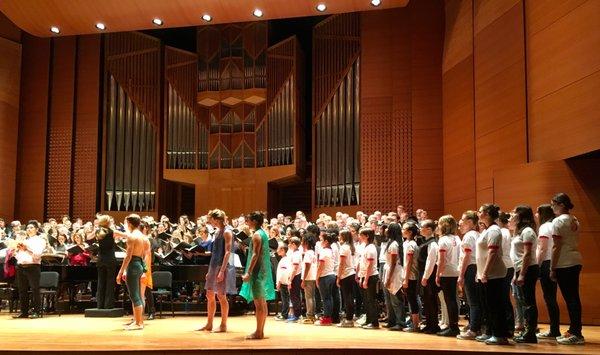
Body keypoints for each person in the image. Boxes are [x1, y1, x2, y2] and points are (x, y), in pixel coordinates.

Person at [550, 193, 584, 345]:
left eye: (553, 204)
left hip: (564, 262)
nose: (552, 207)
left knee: (571, 299)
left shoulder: (558, 221)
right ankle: (574, 329)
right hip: (575, 259)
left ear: (562, 204)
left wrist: (552, 267)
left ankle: (576, 333)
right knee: (573, 298)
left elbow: (556, 246)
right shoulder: (574, 219)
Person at [198, 209, 236, 333]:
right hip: (214, 265)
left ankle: (223, 325)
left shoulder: (227, 232)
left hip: (222, 266)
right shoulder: (217, 231)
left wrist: (221, 271)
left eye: (211, 219)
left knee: (221, 295)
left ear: (216, 219)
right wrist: (211, 270)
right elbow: (215, 252)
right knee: (209, 294)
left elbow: (227, 252)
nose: (210, 222)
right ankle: (209, 324)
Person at [476, 204, 509, 345]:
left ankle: (500, 335)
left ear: (488, 214)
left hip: (493, 274)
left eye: (481, 211)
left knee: (495, 305)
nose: (478, 213)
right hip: (485, 274)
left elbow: (492, 253)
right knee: (487, 305)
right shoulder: (487, 230)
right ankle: (489, 331)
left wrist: (485, 273)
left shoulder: (494, 230)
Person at [240, 211, 275, 339]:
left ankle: (259, 332)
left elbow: (255, 255)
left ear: (254, 221)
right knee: (262, 303)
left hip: (257, 273)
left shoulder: (256, 235)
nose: (246, 222)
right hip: (263, 271)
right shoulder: (262, 233)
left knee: (259, 304)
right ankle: (260, 331)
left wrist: (248, 272)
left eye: (248, 220)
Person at [509, 206, 539, 343]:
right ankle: (527, 331)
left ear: (521, 215)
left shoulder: (527, 231)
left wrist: (522, 274)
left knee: (529, 302)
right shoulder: (520, 231)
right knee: (524, 301)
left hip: (528, 269)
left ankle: (530, 332)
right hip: (521, 269)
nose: (512, 214)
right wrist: (517, 274)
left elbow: (527, 254)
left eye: (514, 212)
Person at [115, 214, 146, 330]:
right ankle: (138, 321)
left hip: (132, 265)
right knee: (137, 295)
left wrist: (120, 272)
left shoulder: (132, 237)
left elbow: (128, 257)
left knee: (134, 296)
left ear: (130, 224)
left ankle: (139, 324)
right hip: (139, 264)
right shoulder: (141, 236)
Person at [535, 204, 560, 340]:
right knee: (552, 298)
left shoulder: (545, 227)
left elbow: (543, 249)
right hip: (554, 262)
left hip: (546, 263)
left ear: (542, 213)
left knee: (549, 298)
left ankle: (554, 330)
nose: (536, 215)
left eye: (537, 212)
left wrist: (537, 266)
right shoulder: (554, 225)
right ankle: (554, 329)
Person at [13, 220, 46, 319]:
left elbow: (37, 255)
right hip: (21, 267)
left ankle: (36, 311)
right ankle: (24, 312)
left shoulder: (40, 240)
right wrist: (16, 253)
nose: (29, 229)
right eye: (27, 228)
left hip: (33, 267)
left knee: (35, 289)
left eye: (31, 227)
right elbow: (20, 255)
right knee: (22, 290)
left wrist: (26, 248)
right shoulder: (25, 240)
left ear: (36, 229)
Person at [435, 215, 461, 337]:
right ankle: (454, 325)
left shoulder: (443, 240)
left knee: (449, 300)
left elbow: (442, 260)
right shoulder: (457, 238)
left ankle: (453, 327)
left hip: (446, 272)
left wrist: (438, 274)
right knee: (453, 300)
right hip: (456, 271)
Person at [457, 211, 481, 340]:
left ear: (471, 222)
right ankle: (475, 325)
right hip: (475, 268)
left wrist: (461, 275)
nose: (459, 222)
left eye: (462, 219)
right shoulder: (477, 234)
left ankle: (473, 330)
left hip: (470, 268)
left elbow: (467, 256)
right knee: (475, 300)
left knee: (473, 301)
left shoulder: (468, 236)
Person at [382, 222, 405, 331]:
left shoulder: (394, 244)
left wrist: (388, 278)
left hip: (394, 273)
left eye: (388, 229)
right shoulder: (391, 243)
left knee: (396, 300)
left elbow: (393, 264)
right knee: (389, 300)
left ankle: (400, 322)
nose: (385, 230)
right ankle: (391, 321)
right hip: (389, 271)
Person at [419, 220, 440, 334]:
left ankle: (434, 325)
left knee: (431, 301)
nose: (420, 228)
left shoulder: (432, 244)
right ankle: (428, 324)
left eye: (422, 227)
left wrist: (425, 277)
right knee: (426, 301)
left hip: (429, 276)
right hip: (425, 275)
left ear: (429, 229)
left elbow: (430, 262)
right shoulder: (426, 242)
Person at [356, 228, 379, 329]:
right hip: (364, 275)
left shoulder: (371, 248)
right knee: (366, 300)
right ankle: (368, 320)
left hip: (370, 276)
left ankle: (374, 323)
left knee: (371, 300)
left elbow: (370, 264)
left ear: (367, 236)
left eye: (361, 235)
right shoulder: (365, 247)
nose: (359, 236)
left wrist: (365, 279)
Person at [95, 215, 117, 309]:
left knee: (100, 282)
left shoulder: (98, 232)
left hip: (101, 259)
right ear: (108, 223)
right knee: (110, 282)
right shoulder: (111, 232)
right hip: (110, 259)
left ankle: (100, 305)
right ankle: (108, 305)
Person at [401, 222, 420, 332]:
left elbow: (408, 263)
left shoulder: (411, 245)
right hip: (409, 276)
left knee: (412, 300)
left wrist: (405, 279)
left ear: (410, 232)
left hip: (411, 276)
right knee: (411, 300)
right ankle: (414, 323)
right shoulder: (407, 243)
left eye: (404, 229)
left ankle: (416, 325)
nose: (402, 231)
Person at [315, 231, 337, 326]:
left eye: (321, 240)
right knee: (329, 298)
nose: (320, 241)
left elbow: (321, 265)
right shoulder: (330, 250)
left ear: (326, 241)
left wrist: (317, 277)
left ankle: (327, 318)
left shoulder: (324, 251)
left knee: (326, 298)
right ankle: (328, 317)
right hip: (331, 275)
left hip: (325, 276)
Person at [336, 229, 356, 328]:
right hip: (351, 273)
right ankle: (350, 318)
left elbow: (341, 263)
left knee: (347, 297)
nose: (339, 237)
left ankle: (349, 319)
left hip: (346, 274)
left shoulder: (344, 247)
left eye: (340, 236)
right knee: (350, 297)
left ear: (344, 237)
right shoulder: (351, 247)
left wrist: (338, 277)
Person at [301, 233, 318, 324]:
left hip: (308, 277)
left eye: (302, 241)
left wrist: (303, 279)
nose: (301, 243)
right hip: (313, 276)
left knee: (308, 297)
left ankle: (310, 315)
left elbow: (307, 266)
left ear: (306, 243)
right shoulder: (313, 253)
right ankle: (312, 315)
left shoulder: (308, 253)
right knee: (312, 297)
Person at [287, 236, 303, 322]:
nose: (288, 245)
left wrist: (290, 279)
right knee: (293, 296)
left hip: (296, 276)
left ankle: (297, 315)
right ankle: (296, 314)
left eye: (290, 243)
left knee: (295, 296)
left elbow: (295, 268)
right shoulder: (293, 253)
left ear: (293, 244)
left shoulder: (297, 254)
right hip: (294, 276)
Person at [275, 243, 291, 321]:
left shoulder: (285, 260)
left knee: (285, 300)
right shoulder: (283, 259)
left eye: (279, 249)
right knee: (285, 299)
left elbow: (283, 272)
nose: (277, 250)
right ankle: (284, 313)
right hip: (283, 282)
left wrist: (279, 282)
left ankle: (284, 315)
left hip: (284, 283)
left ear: (283, 250)